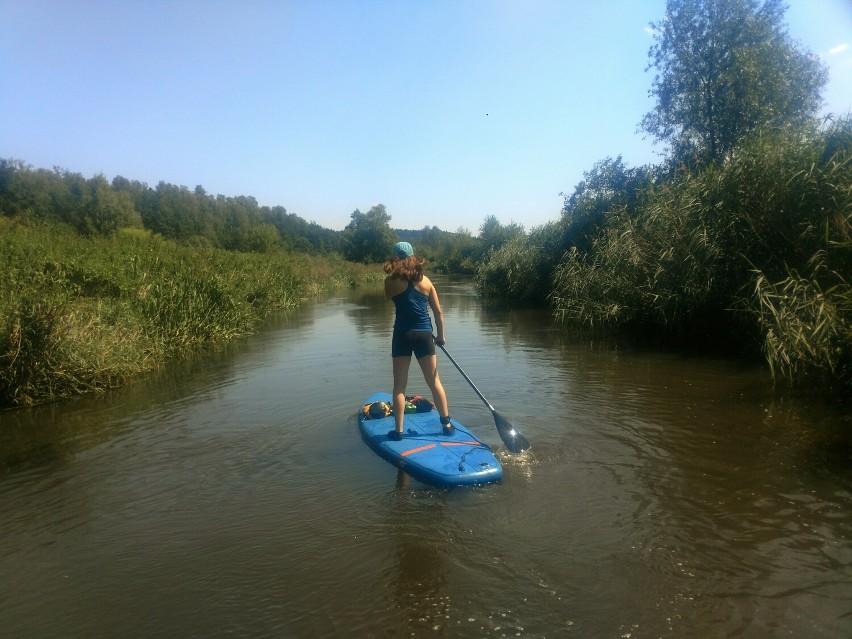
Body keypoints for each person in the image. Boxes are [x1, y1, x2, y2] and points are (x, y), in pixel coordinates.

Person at [383, 241, 453, 440]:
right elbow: (438, 312)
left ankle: (398, 431)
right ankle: (446, 424)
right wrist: (441, 336)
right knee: (434, 381)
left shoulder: (390, 282)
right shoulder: (427, 282)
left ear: (395, 258)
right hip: (424, 335)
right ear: (413, 257)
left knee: (399, 386)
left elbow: (389, 297)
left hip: (402, 334)